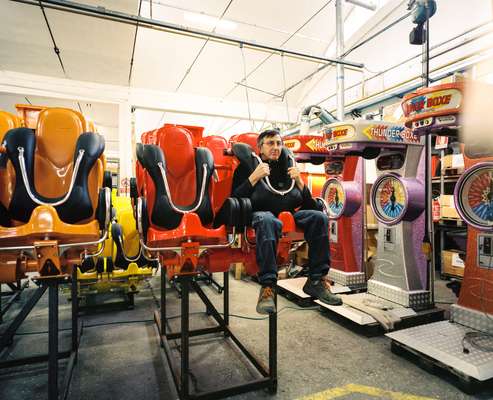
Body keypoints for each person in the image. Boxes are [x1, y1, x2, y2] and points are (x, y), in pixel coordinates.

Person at [232, 129, 343, 314]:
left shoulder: (289, 167)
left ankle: (316, 280)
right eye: (270, 143)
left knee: (319, 217)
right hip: (261, 215)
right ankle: (268, 287)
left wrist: (300, 182)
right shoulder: (246, 167)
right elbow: (234, 198)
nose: (276, 147)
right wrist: (253, 178)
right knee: (268, 220)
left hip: (289, 215)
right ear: (260, 148)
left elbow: (311, 206)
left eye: (278, 143)